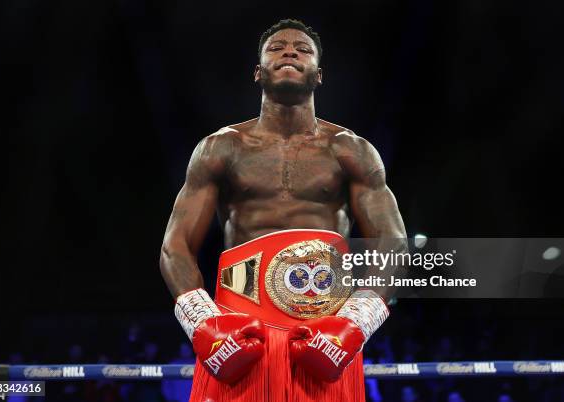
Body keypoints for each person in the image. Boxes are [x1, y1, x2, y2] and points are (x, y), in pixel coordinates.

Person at [160, 18, 407, 402]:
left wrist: (355, 323)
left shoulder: (351, 150)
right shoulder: (221, 148)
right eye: (277, 48)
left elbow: (392, 244)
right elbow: (174, 246)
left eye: (302, 49)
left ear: (319, 75)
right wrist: (204, 324)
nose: (290, 51)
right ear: (258, 72)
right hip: (240, 331)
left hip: (326, 331)